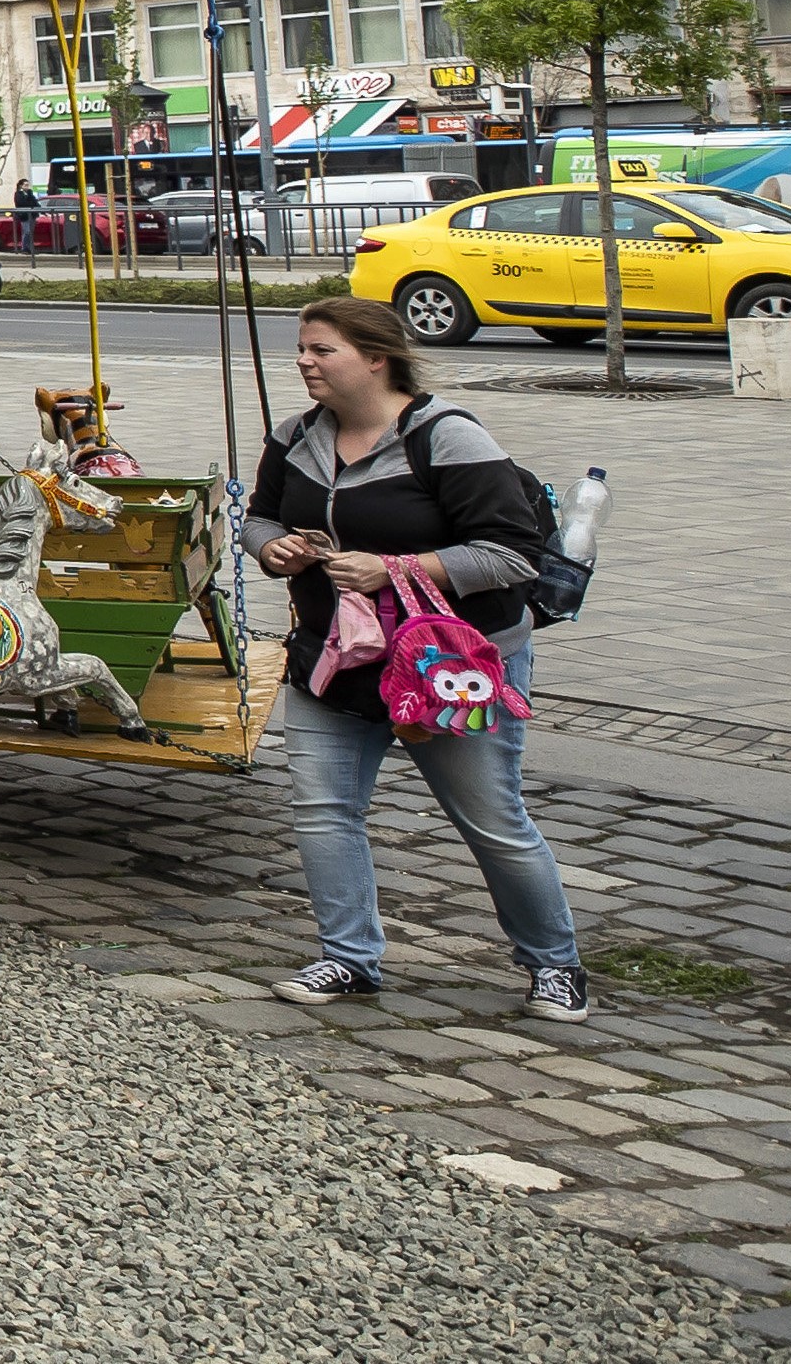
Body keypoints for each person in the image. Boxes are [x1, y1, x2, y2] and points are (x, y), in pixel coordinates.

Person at [241, 295, 590, 1019]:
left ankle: (554, 962)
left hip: (448, 664)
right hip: (334, 655)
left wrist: (397, 567)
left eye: (321, 349)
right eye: (302, 348)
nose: (304, 361)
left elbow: (510, 554)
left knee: (490, 816)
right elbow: (261, 516)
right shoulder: (295, 436)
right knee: (324, 810)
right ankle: (349, 958)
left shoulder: (449, 438)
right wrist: (273, 548)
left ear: (377, 357)